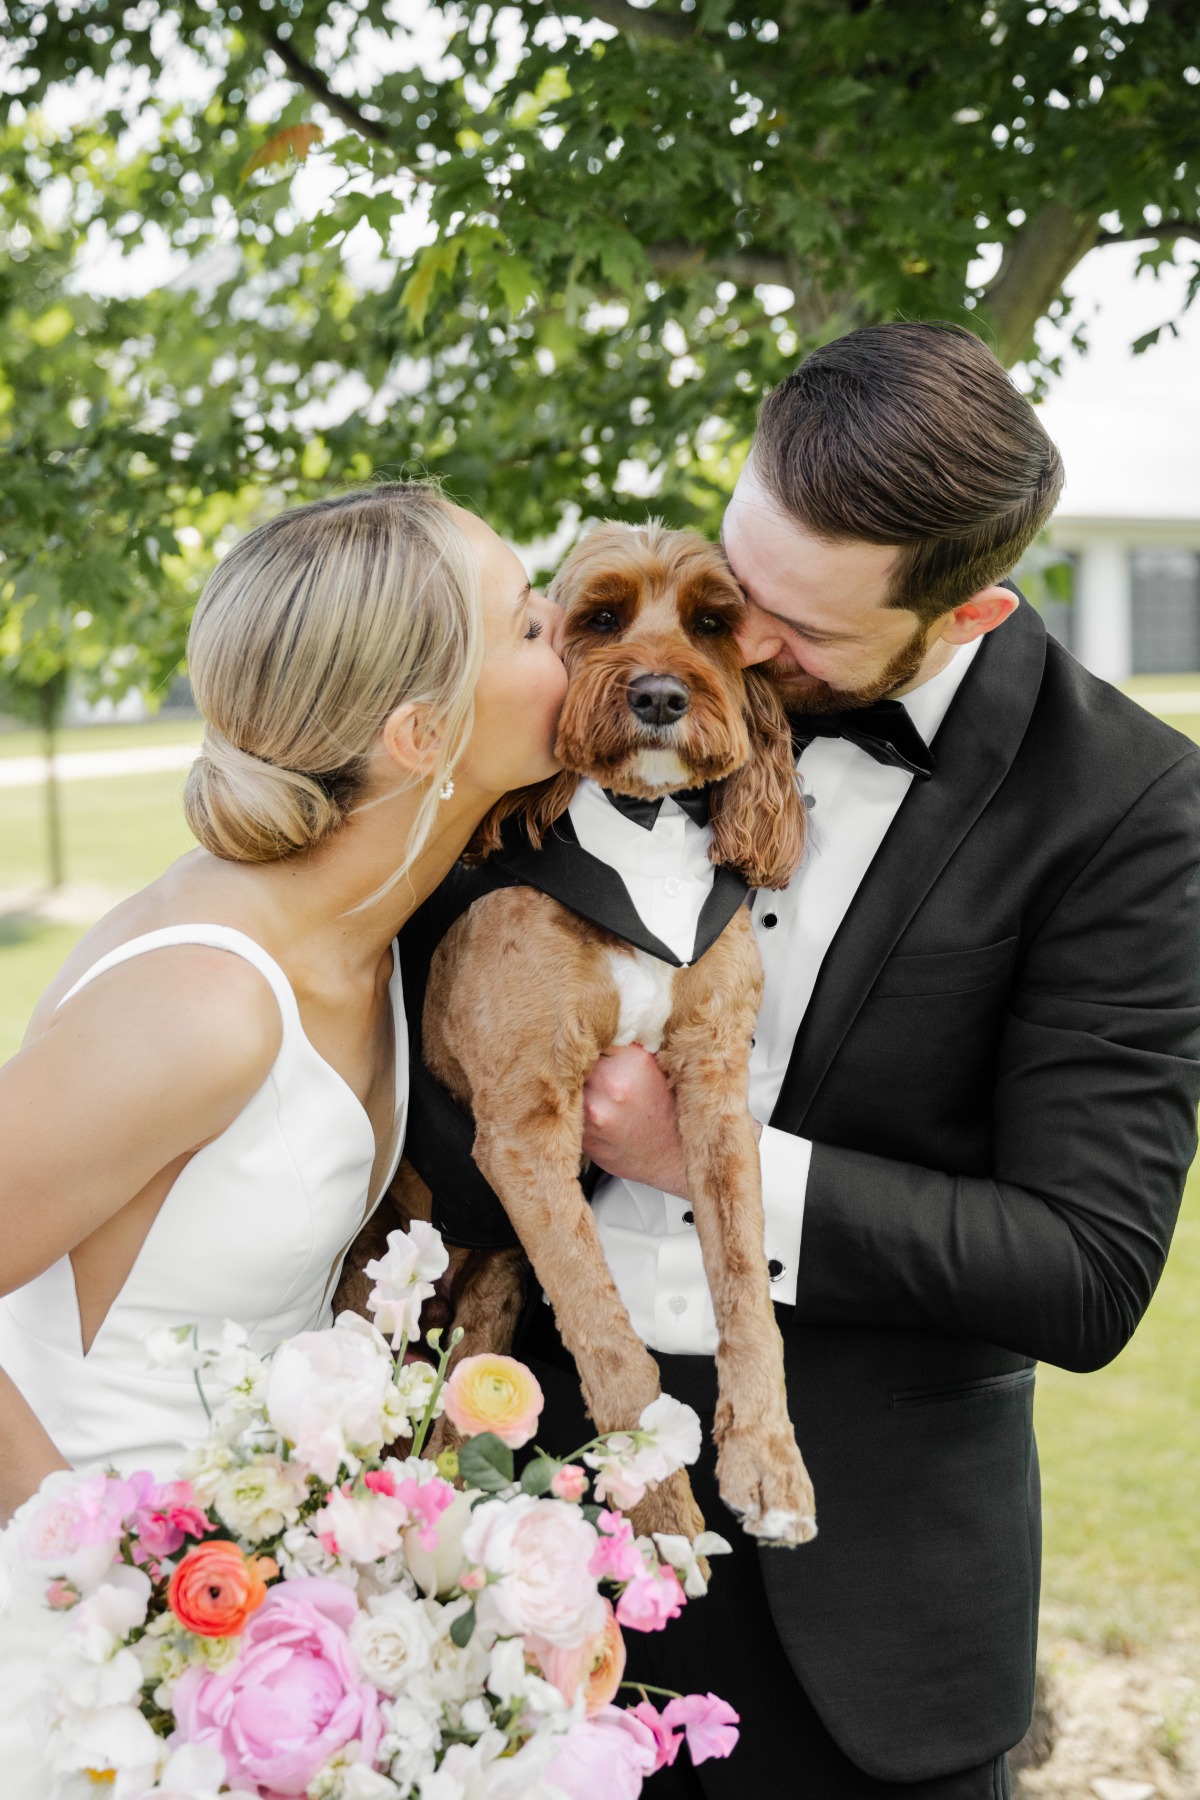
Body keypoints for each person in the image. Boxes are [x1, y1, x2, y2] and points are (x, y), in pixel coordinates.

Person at [407, 325, 1200, 1798]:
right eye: (739, 595)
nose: (740, 655)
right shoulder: (572, 703)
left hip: (869, 1610)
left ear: (966, 612)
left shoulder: (1124, 807)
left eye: (803, 632)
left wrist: (685, 1158)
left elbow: (1086, 1268)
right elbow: (422, 1063)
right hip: (532, 1527)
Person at [0, 481, 565, 1790]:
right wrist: (107, 1585)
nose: (573, 645)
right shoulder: (205, 1001)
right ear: (424, 733)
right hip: (89, 1673)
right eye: (532, 626)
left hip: (260, 1641)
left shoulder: (370, 949)